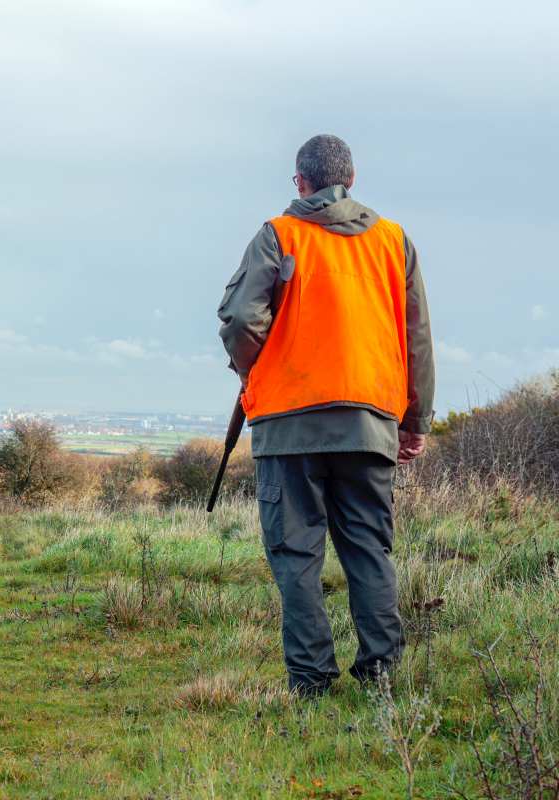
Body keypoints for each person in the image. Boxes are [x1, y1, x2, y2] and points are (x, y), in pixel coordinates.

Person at [217, 134, 435, 697]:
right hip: (370, 424)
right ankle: (381, 675)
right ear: (353, 178)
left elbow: (242, 321)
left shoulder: (278, 235)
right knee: (369, 549)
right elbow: (417, 340)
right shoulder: (394, 241)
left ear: (300, 182)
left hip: (289, 426)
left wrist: (251, 372)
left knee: (295, 556)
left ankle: (312, 683)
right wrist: (415, 422)